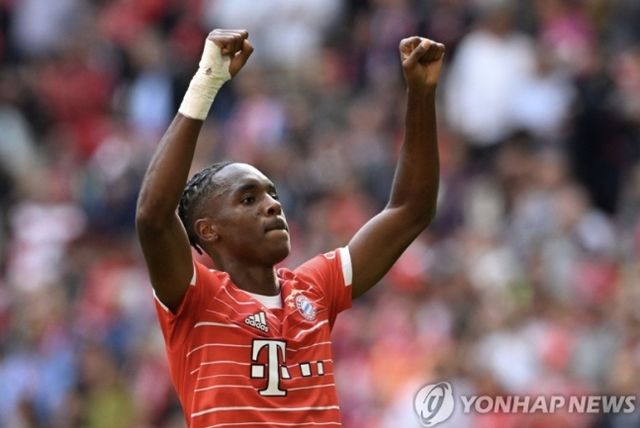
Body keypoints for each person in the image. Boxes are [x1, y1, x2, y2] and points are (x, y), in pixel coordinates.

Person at [135, 28, 444, 427]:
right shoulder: (196, 298)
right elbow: (153, 216)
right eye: (249, 199)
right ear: (208, 230)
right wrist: (206, 82)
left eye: (272, 194)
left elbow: (411, 210)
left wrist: (421, 94)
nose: (272, 205)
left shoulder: (313, 290)